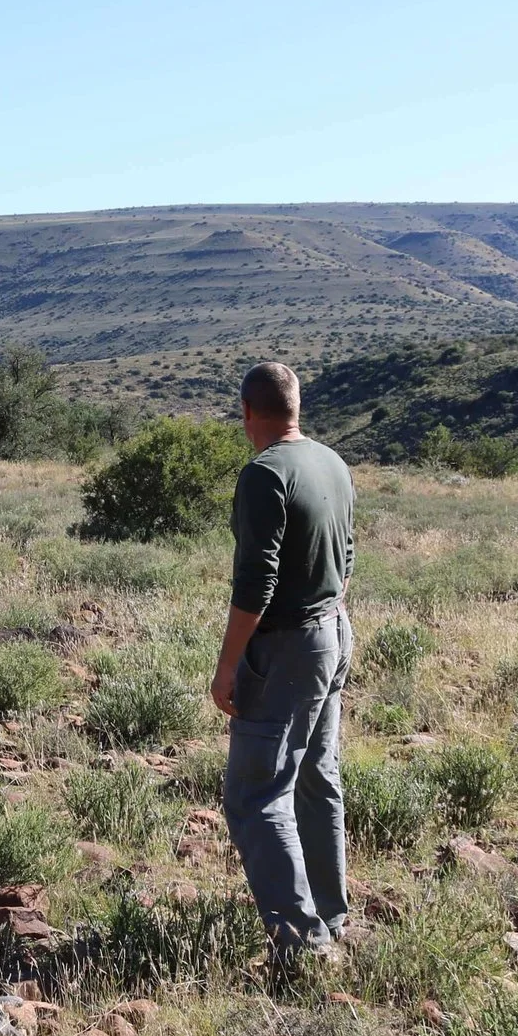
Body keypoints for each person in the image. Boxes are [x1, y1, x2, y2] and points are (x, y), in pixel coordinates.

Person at [210, 361, 356, 962]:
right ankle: (331, 914)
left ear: (247, 412)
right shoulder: (331, 462)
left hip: (289, 646)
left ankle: (303, 943)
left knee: (257, 795)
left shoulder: (265, 474)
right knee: (316, 778)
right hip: (334, 629)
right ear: (295, 406)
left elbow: (256, 585)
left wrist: (227, 666)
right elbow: (345, 554)